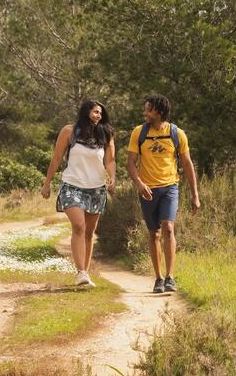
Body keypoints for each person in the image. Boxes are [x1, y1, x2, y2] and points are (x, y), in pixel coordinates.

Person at [126, 94, 200, 294]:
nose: (145, 113)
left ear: (158, 112)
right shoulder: (139, 133)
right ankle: (158, 278)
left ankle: (170, 277)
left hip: (170, 187)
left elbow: (187, 164)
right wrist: (139, 183)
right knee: (154, 233)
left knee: (168, 228)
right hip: (147, 190)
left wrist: (195, 195)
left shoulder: (177, 134)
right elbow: (130, 162)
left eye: (148, 109)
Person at [41, 100, 116, 287]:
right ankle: (81, 272)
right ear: (86, 111)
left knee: (89, 232)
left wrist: (113, 177)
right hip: (72, 185)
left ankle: (85, 274)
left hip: (96, 188)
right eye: (95, 111)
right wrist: (47, 183)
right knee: (79, 225)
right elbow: (57, 157)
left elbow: (110, 160)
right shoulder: (69, 131)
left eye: (100, 112)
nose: (98, 115)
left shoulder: (106, 134)